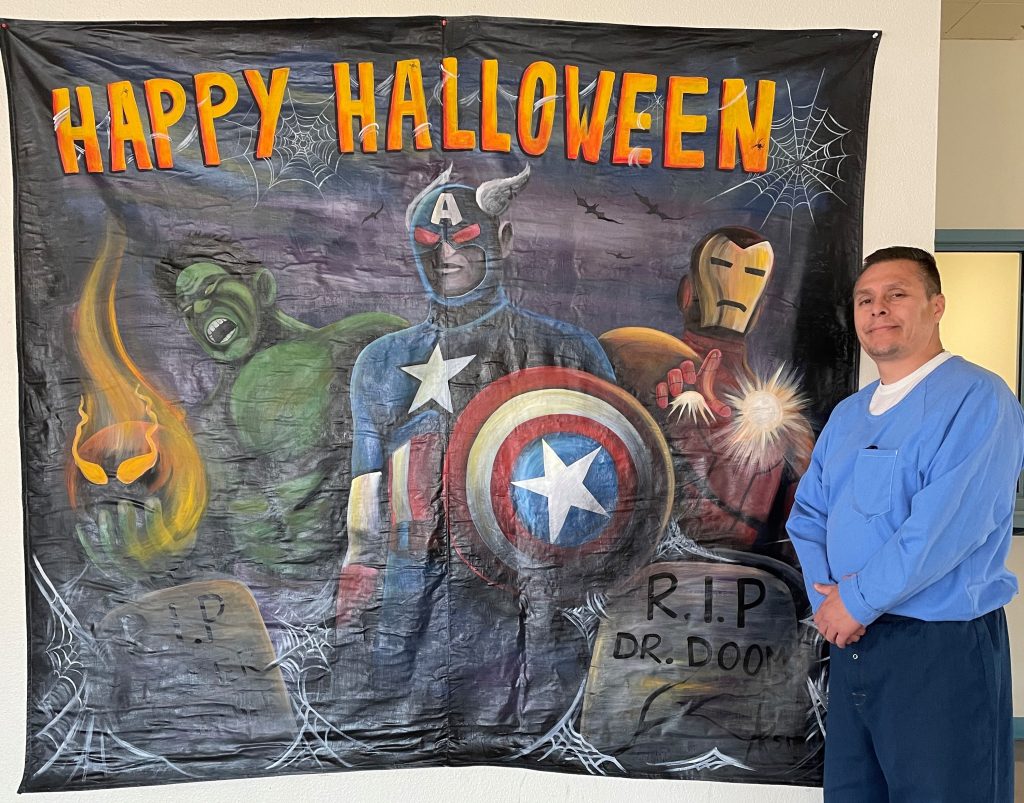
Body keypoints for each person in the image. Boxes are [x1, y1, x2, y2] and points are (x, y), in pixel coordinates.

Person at [787, 246, 1023, 801]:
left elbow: (943, 527)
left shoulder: (978, 398)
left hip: (938, 648)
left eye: (897, 295)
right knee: (855, 793)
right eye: (865, 299)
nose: (878, 309)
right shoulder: (849, 415)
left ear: (936, 306)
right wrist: (829, 601)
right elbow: (809, 515)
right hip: (852, 639)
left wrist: (854, 602)